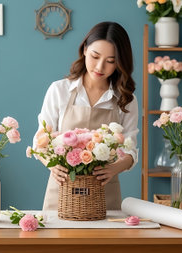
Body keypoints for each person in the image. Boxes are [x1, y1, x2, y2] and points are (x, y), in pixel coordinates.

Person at [33, 22, 139, 211]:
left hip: (105, 191)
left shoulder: (126, 99)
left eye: (111, 61)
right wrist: (51, 165)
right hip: (63, 190)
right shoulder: (60, 90)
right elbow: (41, 140)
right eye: (95, 56)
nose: (100, 67)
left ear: (120, 62)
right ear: (84, 49)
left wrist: (114, 168)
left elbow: (131, 149)